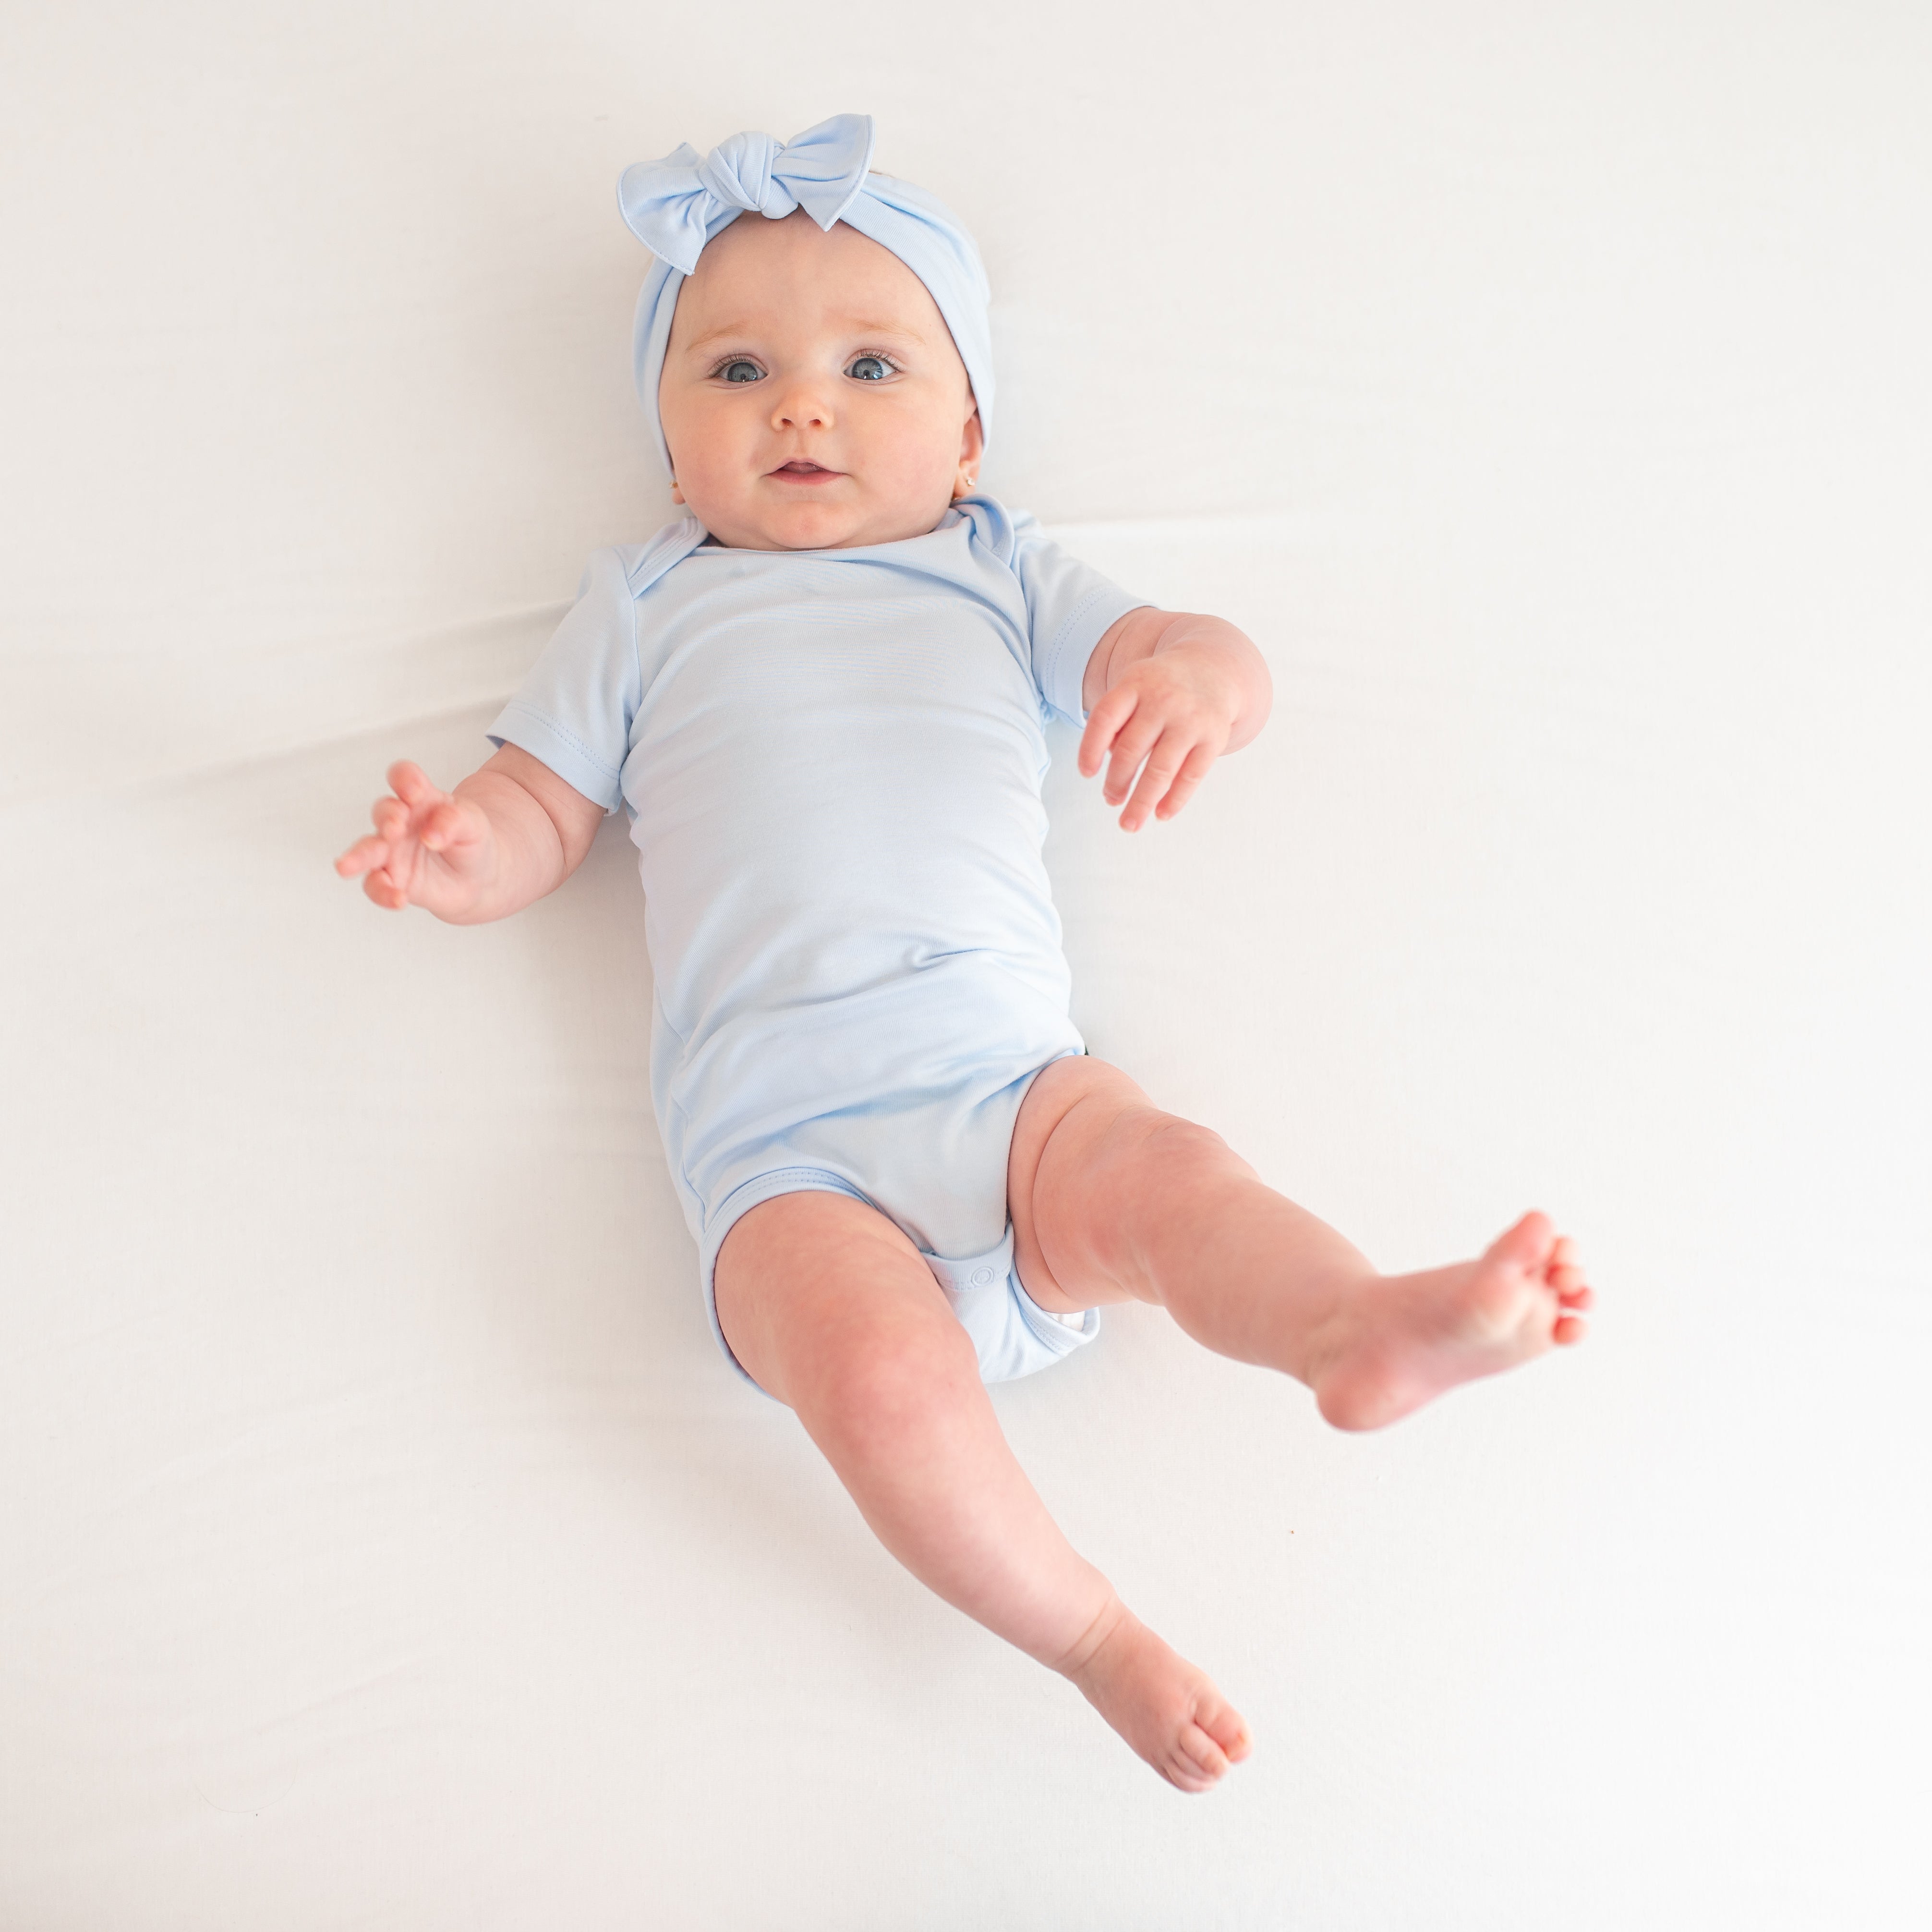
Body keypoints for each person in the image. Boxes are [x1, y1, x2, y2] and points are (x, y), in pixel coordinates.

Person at [335, 115, 1593, 1793]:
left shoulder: (998, 569)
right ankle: (1088, 1632)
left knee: (1169, 1178)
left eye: (870, 363)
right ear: (665, 439)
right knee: (875, 1379)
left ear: (971, 431)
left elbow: (1182, 644)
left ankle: (1350, 1322)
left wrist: (1204, 684)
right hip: (785, 1171)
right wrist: (456, 853)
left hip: (1015, 1097)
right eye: (734, 370)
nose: (801, 405)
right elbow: (538, 809)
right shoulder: (641, 606)